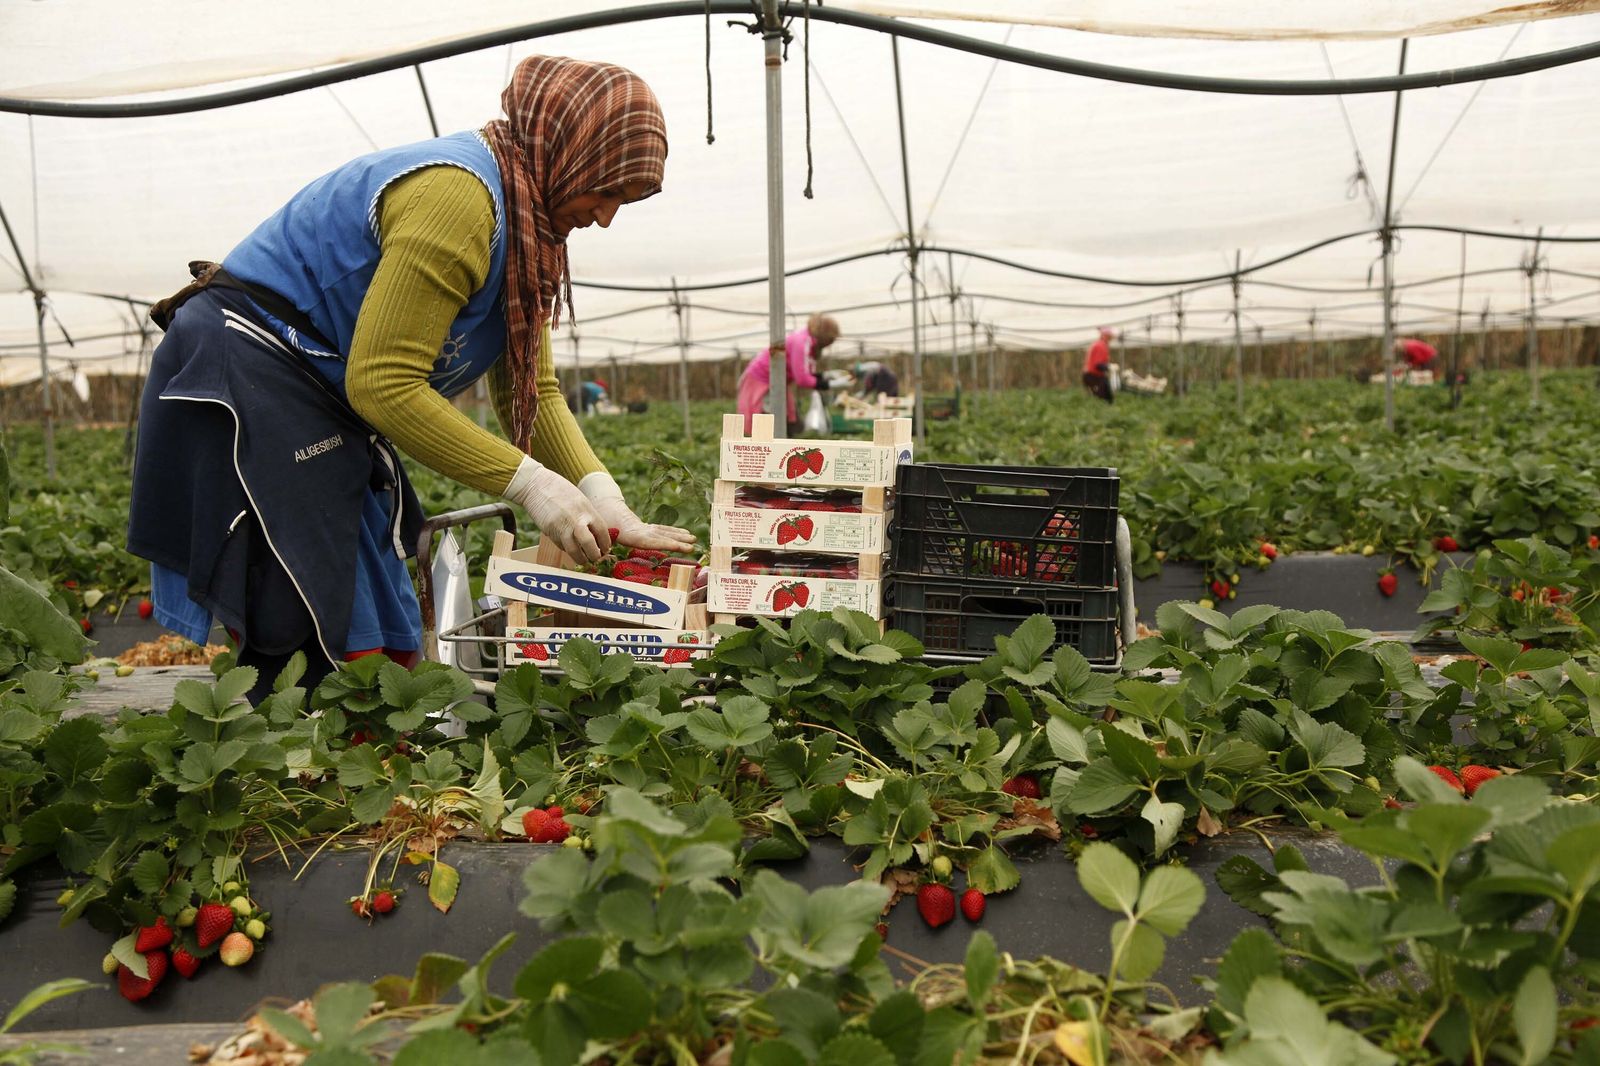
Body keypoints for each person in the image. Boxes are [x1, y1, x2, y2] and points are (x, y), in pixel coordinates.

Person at [127, 56, 696, 700]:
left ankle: (350, 746)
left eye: (625, 199)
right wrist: (533, 487)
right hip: (252, 367)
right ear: (567, 153)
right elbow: (383, 384)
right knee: (307, 595)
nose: (606, 217)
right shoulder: (458, 201)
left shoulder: (532, 232)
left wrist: (604, 500)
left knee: (372, 587)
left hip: (319, 391)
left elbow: (533, 391)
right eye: (606, 190)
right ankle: (284, 758)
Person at [737, 313, 839, 434]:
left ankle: (782, 446)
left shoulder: (808, 342)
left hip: (776, 382)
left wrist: (824, 377)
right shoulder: (802, 342)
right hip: (762, 381)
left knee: (790, 422)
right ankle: (771, 448)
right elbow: (802, 379)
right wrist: (829, 384)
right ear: (824, 335)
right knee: (767, 424)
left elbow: (806, 373)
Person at [1082, 327, 1114, 404]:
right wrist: (1109, 367)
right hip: (1093, 376)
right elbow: (1098, 364)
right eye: (1109, 336)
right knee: (1103, 398)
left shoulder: (1100, 345)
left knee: (1105, 396)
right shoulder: (1100, 346)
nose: (1110, 338)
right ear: (1104, 336)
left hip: (1093, 375)